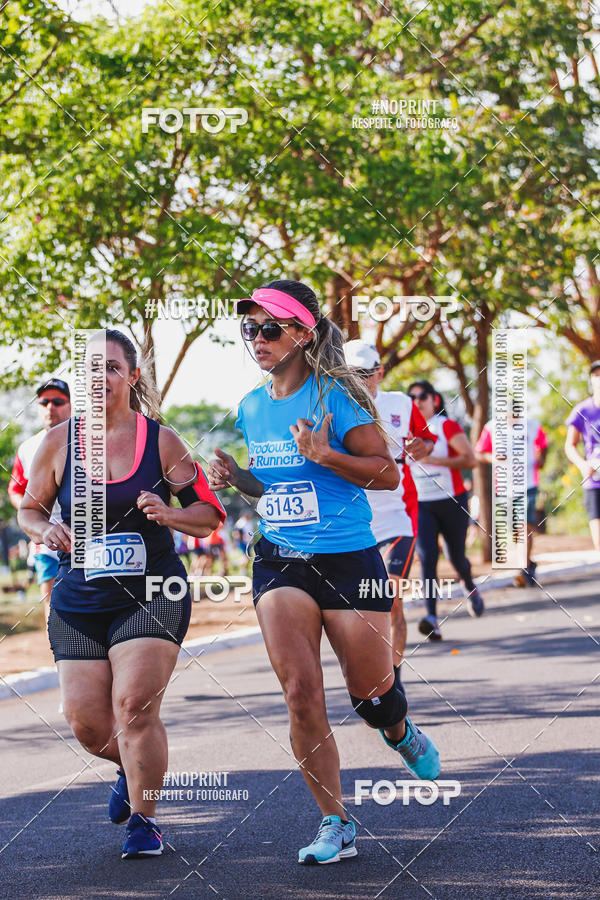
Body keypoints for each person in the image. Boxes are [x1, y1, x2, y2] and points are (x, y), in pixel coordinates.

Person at [208, 280, 440, 866]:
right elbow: (274, 491)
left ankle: (397, 728)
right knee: (301, 694)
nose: (256, 339)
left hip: (348, 556)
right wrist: (238, 479)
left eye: (270, 328)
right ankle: (335, 821)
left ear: (303, 334)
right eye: (250, 329)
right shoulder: (252, 405)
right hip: (280, 558)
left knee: (370, 692)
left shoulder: (338, 396)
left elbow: (387, 475)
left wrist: (327, 454)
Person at [18, 329, 225, 859]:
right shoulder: (56, 443)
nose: (99, 379)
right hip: (79, 597)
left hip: (152, 590)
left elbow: (208, 515)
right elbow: (29, 509)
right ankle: (128, 770)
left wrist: (171, 512)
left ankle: (145, 819)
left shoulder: (162, 441)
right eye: (89, 369)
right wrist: (45, 531)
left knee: (133, 706)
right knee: (86, 723)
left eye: (111, 367)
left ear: (132, 375)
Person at [343, 339, 436, 696]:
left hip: (397, 517)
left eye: (365, 374)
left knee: (390, 596)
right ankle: (373, 676)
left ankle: (394, 679)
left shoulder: (400, 404)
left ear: (379, 372)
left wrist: (420, 447)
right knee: (364, 607)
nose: (359, 381)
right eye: (351, 374)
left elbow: (427, 441)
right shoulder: (333, 406)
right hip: (353, 523)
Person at [407, 381, 483, 640]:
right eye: (412, 396)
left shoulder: (445, 426)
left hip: (452, 500)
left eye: (423, 396)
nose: (417, 401)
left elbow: (470, 460)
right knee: (427, 557)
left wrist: (432, 459)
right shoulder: (403, 429)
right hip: (422, 504)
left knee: (456, 557)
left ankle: (469, 584)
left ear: (435, 400)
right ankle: (431, 617)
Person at [8, 379, 72, 621]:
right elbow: (15, 490)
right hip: (46, 537)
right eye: (44, 402)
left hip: (86, 532)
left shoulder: (91, 439)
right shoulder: (27, 447)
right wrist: (33, 516)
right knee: (52, 595)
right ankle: (59, 650)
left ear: (70, 405)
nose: (50, 408)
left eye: (57, 401)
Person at [476, 414, 548, 585]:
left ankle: (522, 569)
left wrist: (542, 458)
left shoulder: (532, 423)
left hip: (528, 483)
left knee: (524, 525)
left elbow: (544, 444)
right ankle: (528, 563)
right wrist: (492, 457)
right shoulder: (491, 427)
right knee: (515, 529)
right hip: (505, 487)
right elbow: (479, 452)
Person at [565, 359, 600, 551]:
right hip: (594, 482)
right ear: (591, 380)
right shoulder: (582, 410)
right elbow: (569, 445)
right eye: (596, 375)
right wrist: (582, 465)